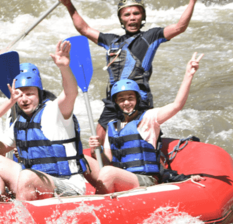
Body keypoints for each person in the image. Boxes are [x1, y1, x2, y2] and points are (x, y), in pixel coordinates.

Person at [58, 0, 200, 147]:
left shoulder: (151, 37)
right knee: (99, 137)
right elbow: (84, 29)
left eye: (136, 13)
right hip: (114, 99)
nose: (132, 17)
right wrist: (69, 5)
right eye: (127, 14)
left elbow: (179, 27)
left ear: (142, 17)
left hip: (139, 99)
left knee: (141, 139)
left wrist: (192, 0)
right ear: (121, 19)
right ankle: (103, 167)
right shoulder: (111, 41)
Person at [0, 40, 89, 201]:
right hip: (35, 182)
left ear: (39, 95)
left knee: (27, 175)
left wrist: (64, 67)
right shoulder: (19, 122)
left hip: (67, 185)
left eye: (30, 93)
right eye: (20, 94)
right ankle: (0, 205)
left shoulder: (55, 111)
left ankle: (19, 220)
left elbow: (70, 93)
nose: (24, 99)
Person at [87, 53, 204, 193]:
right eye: (121, 99)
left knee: (108, 172)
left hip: (145, 180)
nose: (126, 103)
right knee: (83, 160)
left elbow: (176, 105)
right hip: (120, 177)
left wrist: (188, 75)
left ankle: (99, 205)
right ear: (116, 103)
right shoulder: (112, 126)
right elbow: (107, 162)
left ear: (137, 100)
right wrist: (97, 150)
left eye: (130, 98)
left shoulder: (149, 118)